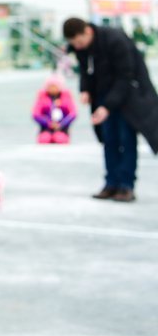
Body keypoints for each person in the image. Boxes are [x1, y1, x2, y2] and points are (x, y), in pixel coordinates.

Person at [64, 16, 158, 202]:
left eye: (80, 41)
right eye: (75, 43)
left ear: (88, 31)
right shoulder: (81, 47)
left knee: (126, 140)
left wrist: (106, 106)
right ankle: (111, 183)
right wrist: (85, 89)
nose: (78, 46)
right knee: (109, 140)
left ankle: (126, 186)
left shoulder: (116, 40)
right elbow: (85, 70)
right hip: (104, 97)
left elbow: (126, 76)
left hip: (128, 98)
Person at [31, 72, 77, 144]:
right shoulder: (42, 97)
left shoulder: (66, 97)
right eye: (50, 86)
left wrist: (62, 124)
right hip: (46, 127)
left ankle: (61, 134)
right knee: (44, 139)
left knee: (60, 139)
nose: (52, 88)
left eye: (55, 86)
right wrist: (48, 123)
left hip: (62, 127)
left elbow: (73, 113)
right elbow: (35, 114)